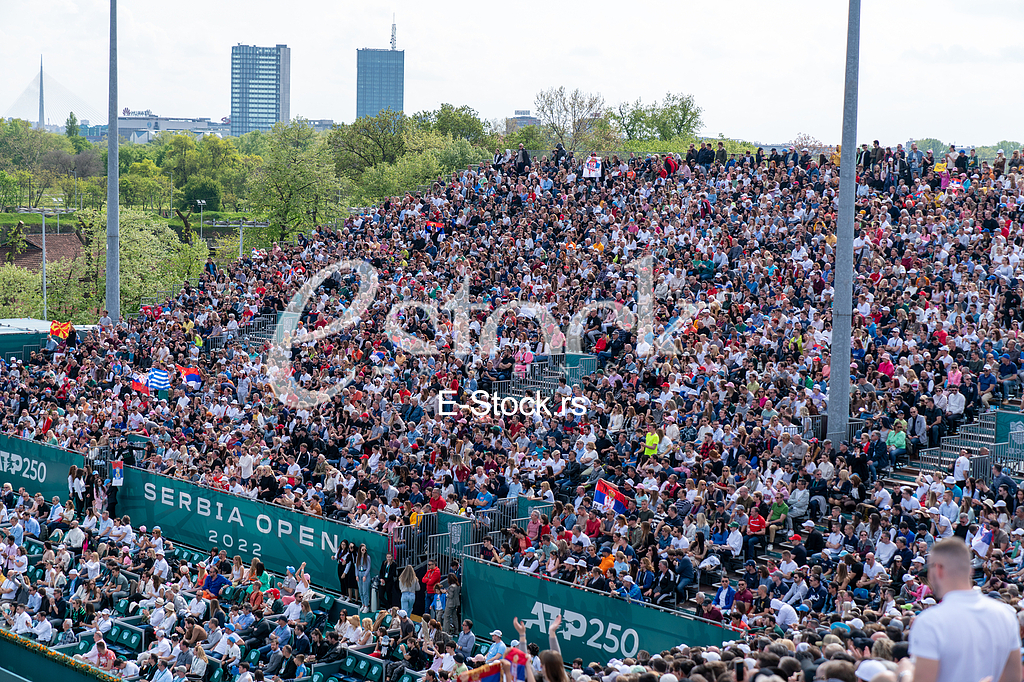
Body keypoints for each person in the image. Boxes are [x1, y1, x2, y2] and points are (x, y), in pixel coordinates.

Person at [909, 538, 1021, 682]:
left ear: (938, 569)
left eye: (928, 569)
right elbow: (1013, 677)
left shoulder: (929, 622)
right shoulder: (1006, 615)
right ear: (970, 570)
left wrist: (904, 673)